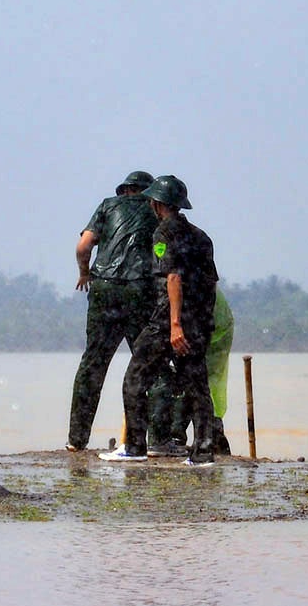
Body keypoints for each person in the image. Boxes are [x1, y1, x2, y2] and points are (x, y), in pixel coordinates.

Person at [100, 175, 219, 466]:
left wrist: (175, 325)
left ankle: (134, 447)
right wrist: (200, 323)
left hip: (168, 322)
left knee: (135, 379)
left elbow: (173, 277)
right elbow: (210, 284)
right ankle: (203, 453)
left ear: (157, 204)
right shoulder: (202, 237)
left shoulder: (162, 234)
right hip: (199, 321)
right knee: (197, 387)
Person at [66, 170, 157, 452]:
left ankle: (76, 439)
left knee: (93, 364)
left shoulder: (107, 206)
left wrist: (84, 273)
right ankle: (154, 439)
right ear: (150, 193)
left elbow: (83, 246)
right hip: (139, 290)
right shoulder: (155, 211)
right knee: (148, 363)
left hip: (104, 289)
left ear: (125, 190)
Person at [149, 288, 234, 456]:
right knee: (184, 378)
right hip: (192, 322)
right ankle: (185, 437)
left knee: (194, 379)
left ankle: (190, 437)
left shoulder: (177, 281)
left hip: (207, 326)